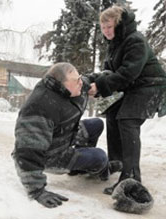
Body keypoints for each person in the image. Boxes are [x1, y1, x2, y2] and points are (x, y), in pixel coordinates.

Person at [12, 62, 122, 208]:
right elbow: (27, 154)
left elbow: (92, 78)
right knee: (100, 156)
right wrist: (37, 190)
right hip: (51, 154)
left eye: (80, 79)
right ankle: (102, 169)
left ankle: (80, 168)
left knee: (96, 124)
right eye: (77, 81)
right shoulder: (39, 108)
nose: (81, 83)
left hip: (64, 134)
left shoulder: (76, 85)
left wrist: (110, 77)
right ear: (61, 85)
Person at [88, 5, 166, 195]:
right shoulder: (114, 44)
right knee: (113, 112)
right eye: (103, 28)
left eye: (109, 27)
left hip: (151, 86)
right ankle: (117, 162)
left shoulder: (135, 41)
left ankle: (131, 177)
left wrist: (101, 87)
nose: (106, 31)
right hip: (136, 87)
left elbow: (127, 73)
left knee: (127, 120)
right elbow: (108, 72)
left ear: (118, 25)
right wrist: (88, 80)